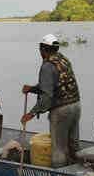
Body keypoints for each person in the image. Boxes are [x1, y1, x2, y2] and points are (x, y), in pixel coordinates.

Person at [21, 34, 81, 167]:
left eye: (40, 49)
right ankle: (76, 169)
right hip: (76, 106)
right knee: (73, 144)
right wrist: (31, 89)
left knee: (58, 148)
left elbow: (47, 96)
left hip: (61, 111)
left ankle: (61, 175)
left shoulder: (47, 66)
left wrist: (30, 114)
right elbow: (54, 86)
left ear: (43, 49)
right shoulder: (63, 60)